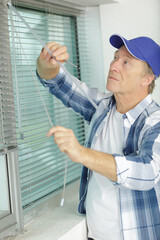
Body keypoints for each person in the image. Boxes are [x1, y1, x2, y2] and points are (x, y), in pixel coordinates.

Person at [36, 34, 160, 240]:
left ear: (147, 79)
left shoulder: (155, 121)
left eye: (126, 62)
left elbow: (149, 171)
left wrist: (82, 153)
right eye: (115, 57)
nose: (114, 66)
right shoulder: (102, 107)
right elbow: (58, 82)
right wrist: (46, 63)